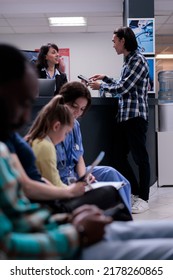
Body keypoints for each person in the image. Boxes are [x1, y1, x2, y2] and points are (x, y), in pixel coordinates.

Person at [1, 44, 173, 260]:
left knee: (114, 179)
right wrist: (76, 230)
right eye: (23, 101)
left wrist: (70, 215)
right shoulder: (33, 146)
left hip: (55, 224)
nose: (28, 113)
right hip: (59, 239)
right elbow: (11, 245)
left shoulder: (9, 146)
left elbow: (32, 186)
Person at [89, 27, 150, 214]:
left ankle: (144, 198)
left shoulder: (138, 60)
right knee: (118, 156)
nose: (113, 45)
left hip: (135, 117)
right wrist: (106, 78)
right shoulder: (129, 61)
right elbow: (124, 82)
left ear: (123, 40)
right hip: (125, 117)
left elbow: (124, 87)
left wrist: (102, 85)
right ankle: (135, 192)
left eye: (114, 41)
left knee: (141, 159)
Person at [55, 81, 131, 212]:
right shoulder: (52, 127)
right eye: (74, 106)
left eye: (82, 109)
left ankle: (126, 218)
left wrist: (84, 177)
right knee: (105, 193)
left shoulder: (76, 125)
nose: (77, 113)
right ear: (63, 101)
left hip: (75, 173)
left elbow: (79, 157)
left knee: (111, 174)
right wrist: (76, 184)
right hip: (61, 179)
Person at [25, 95, 73, 188]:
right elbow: (55, 185)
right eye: (66, 133)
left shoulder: (33, 141)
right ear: (56, 126)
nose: (64, 139)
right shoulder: (46, 146)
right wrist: (73, 189)